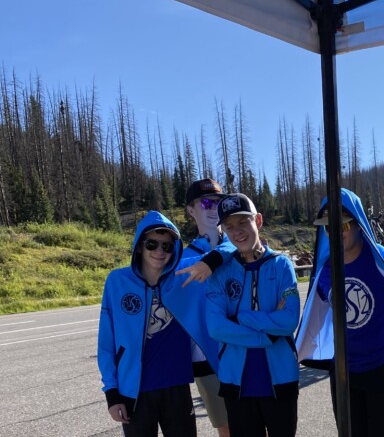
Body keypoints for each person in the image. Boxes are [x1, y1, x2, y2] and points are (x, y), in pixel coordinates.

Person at [295, 188, 384, 437]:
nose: (336, 233)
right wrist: (298, 350)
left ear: (358, 224)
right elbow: (315, 315)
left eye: (342, 225)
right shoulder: (325, 271)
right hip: (345, 372)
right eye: (329, 227)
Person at [97, 210, 225, 436]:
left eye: (167, 246)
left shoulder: (185, 274)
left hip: (177, 387)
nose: (159, 251)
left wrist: (212, 261)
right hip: (134, 393)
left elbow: (232, 247)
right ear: (139, 246)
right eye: (152, 244)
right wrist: (112, 394)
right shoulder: (117, 281)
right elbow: (106, 343)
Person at [205, 193, 300, 437]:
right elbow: (216, 327)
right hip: (236, 385)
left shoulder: (281, 265)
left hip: (281, 381)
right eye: (229, 227)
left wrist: (241, 318)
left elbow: (289, 320)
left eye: (243, 222)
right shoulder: (220, 273)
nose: (237, 232)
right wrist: (266, 335)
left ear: (258, 221)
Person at [182, 178, 230, 437]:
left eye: (218, 202)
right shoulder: (182, 259)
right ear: (191, 210)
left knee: (258, 424)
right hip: (206, 357)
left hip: (245, 351)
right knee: (226, 427)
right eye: (205, 203)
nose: (213, 208)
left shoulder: (239, 245)